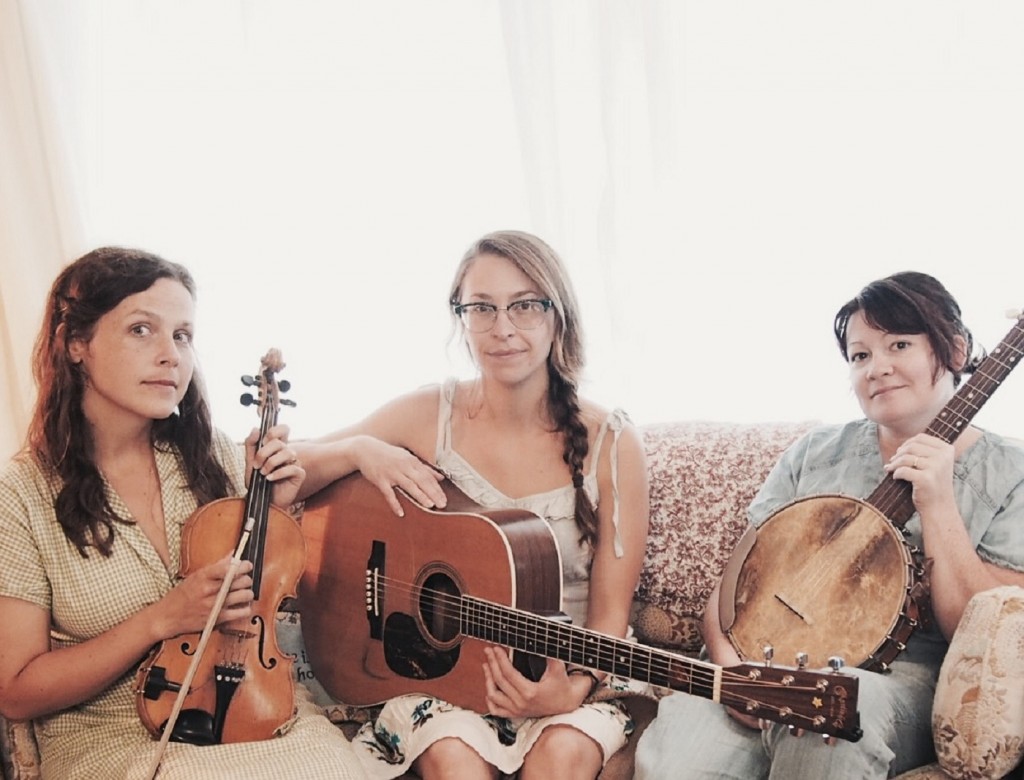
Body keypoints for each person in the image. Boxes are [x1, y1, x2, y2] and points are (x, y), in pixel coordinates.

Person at [634, 271, 1024, 779]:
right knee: (679, 765)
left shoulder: (1011, 473)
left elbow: (979, 635)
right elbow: (734, 590)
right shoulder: (814, 454)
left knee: (832, 715)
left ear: (954, 348)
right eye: (860, 356)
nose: (877, 368)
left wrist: (939, 503)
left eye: (899, 345)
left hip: (900, 680)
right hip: (761, 665)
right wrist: (733, 676)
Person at [294, 229, 650, 779]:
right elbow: (280, 474)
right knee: (453, 756)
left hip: (573, 673)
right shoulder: (429, 414)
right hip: (445, 678)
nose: (502, 328)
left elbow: (607, 619)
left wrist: (570, 690)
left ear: (558, 316)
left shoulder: (613, 442)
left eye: (524, 305)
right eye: (481, 308)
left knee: (559, 757)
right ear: (460, 317)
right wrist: (357, 450)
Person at [0, 247, 366, 779]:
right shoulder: (21, 495)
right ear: (77, 343)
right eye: (141, 330)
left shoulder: (210, 455)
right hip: (111, 735)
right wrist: (160, 620)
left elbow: (254, 608)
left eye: (183, 335)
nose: (171, 355)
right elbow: (16, 691)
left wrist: (269, 513)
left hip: (249, 711)